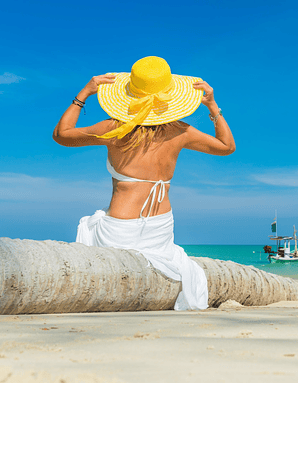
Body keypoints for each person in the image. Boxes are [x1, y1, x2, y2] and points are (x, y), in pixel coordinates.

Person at [53, 56, 236, 310]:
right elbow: (227, 147)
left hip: (119, 230)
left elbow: (61, 135)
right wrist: (213, 106)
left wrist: (83, 94)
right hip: (160, 230)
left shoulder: (114, 129)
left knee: (88, 226)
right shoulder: (181, 132)